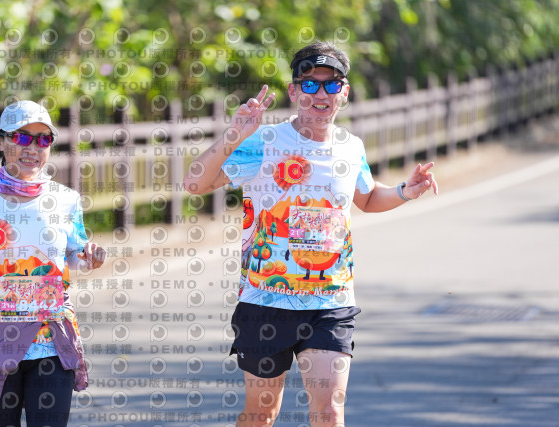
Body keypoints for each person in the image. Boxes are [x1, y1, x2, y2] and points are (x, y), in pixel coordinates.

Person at [184, 41, 438, 426]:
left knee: (329, 411)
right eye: (310, 84)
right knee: (261, 413)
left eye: (331, 84)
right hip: (266, 298)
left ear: (344, 92)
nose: (321, 93)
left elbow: (368, 198)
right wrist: (233, 134)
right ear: (293, 91)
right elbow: (194, 184)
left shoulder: (351, 147)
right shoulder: (264, 142)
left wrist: (405, 191)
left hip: (330, 300)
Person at [0, 100, 107, 426]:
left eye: (43, 139)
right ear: (0, 141)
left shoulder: (66, 200)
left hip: (52, 342)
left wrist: (89, 257)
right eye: (21, 137)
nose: (33, 148)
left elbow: (73, 256)